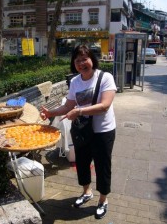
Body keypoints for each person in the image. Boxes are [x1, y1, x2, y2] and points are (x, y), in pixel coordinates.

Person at [40, 44, 117, 219]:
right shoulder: (75, 82)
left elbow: (104, 106)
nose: (81, 63)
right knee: (82, 163)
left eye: (84, 59)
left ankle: (103, 200)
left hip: (103, 131)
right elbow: (68, 105)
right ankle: (87, 192)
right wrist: (50, 113)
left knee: (102, 165)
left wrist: (79, 111)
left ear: (92, 60)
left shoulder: (105, 78)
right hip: (82, 130)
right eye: (77, 60)